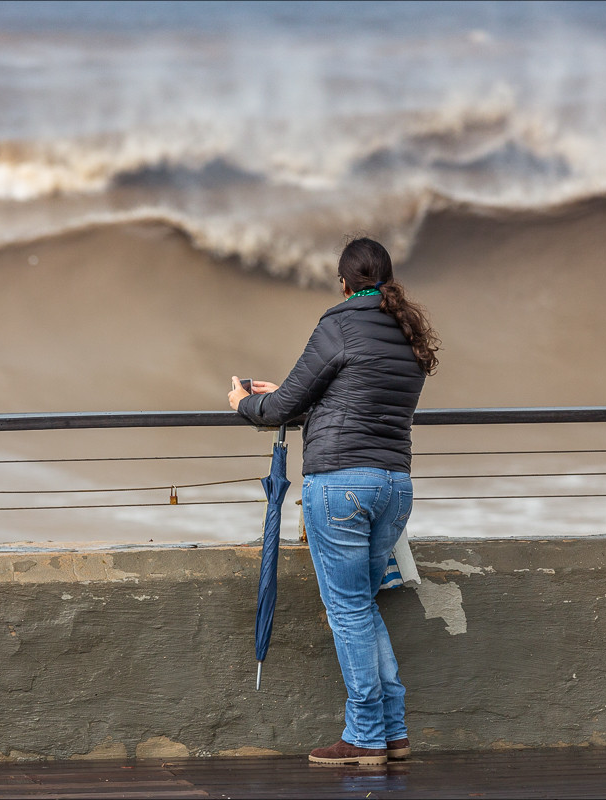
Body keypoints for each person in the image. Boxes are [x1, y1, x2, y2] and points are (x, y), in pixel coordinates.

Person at [227, 236, 440, 766]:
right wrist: (295, 397)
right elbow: (353, 400)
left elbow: (280, 407)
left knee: (347, 611)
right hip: (395, 487)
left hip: (341, 485)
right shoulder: (407, 333)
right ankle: (392, 732)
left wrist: (244, 402)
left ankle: (364, 736)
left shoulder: (339, 323)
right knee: (361, 607)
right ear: (386, 280)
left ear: (344, 283)